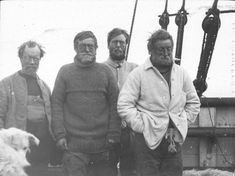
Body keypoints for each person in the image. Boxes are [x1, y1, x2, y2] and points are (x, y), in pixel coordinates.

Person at [117, 29, 200, 176]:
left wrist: (183, 121)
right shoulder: (138, 74)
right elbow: (124, 104)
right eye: (161, 50)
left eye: (169, 49)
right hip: (145, 141)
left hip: (173, 139)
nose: (166, 53)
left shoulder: (181, 73)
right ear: (150, 51)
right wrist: (141, 126)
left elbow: (193, 102)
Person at [51, 31, 120, 176]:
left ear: (96, 48)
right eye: (83, 46)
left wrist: (113, 135)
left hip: (103, 147)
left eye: (91, 46)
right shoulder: (65, 72)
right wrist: (60, 135)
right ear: (75, 48)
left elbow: (115, 105)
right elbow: (56, 105)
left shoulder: (106, 72)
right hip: (74, 148)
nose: (87, 50)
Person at [0, 40, 55, 176]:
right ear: (20, 58)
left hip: (42, 149)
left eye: (35, 59)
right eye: (27, 58)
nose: (31, 62)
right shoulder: (6, 84)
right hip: (15, 151)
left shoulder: (45, 87)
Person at [104, 28, 138, 176]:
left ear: (126, 45)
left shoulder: (136, 69)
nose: (118, 45)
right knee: (107, 169)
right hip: (106, 129)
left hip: (129, 130)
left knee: (130, 169)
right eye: (115, 42)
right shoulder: (100, 69)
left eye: (122, 42)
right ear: (108, 45)